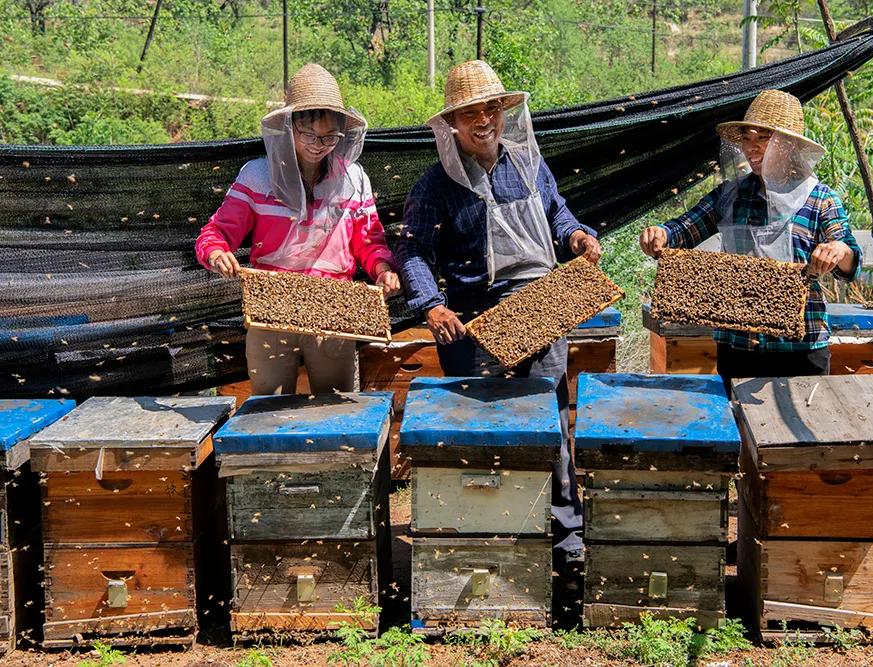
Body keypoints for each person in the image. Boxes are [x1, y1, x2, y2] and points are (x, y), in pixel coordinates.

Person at [395, 59, 602, 622]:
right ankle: (483, 549)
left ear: (504, 112)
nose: (483, 119)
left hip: (541, 306)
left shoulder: (527, 165)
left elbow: (557, 216)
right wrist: (430, 305)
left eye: (491, 108)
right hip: (472, 320)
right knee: (481, 438)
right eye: (471, 112)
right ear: (452, 122)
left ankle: (565, 551)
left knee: (549, 427)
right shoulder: (435, 184)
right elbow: (411, 250)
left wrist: (579, 236)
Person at [639, 89, 862, 394]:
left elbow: (850, 260)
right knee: (742, 437)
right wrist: (661, 234)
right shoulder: (731, 195)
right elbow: (683, 229)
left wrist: (838, 251)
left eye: (763, 139)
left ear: (789, 146)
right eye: (747, 139)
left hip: (801, 350)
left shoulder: (820, 199)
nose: (752, 149)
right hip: (739, 347)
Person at [195, 63, 399, 395]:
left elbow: (369, 240)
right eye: (310, 135)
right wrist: (217, 253)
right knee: (268, 411)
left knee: (336, 409)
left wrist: (383, 268)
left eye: (330, 137)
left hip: (333, 308)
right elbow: (215, 232)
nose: (320, 145)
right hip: (271, 308)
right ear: (290, 128)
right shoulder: (257, 177)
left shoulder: (354, 179)